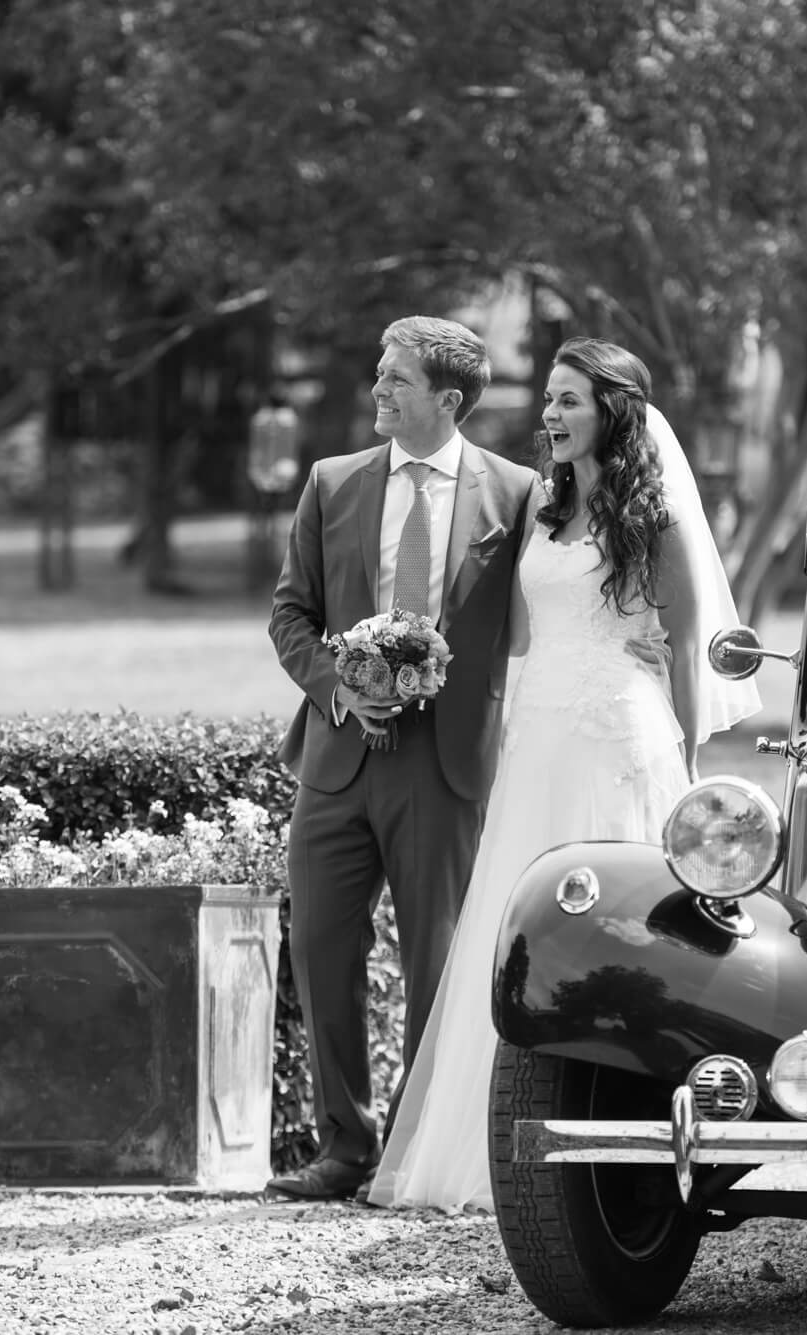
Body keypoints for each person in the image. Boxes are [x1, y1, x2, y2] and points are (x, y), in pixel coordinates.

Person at [366, 337, 761, 1213]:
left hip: (619, 739)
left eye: (570, 400)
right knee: (515, 927)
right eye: (547, 399)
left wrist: (692, 774)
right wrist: (407, 650)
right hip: (536, 742)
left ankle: (623, 1134)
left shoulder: (651, 520)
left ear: (611, 409)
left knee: (617, 936)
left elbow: (690, 654)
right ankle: (486, 1143)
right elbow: (509, 640)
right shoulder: (543, 508)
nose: (550, 415)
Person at [265, 316, 540, 1200]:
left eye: (396, 381)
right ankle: (344, 1145)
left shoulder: (518, 495)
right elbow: (290, 616)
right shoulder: (331, 482)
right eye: (379, 376)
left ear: (447, 399)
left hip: (447, 764)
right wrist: (342, 688)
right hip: (337, 758)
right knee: (320, 950)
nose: (377, 392)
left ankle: (419, 1150)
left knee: (440, 960)